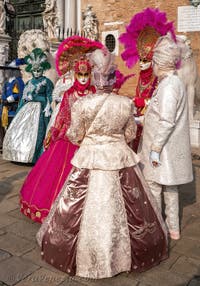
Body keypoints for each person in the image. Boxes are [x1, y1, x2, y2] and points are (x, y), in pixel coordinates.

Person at [36, 48, 168, 278]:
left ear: (95, 78)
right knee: (130, 210)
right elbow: (129, 134)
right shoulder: (124, 104)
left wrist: (92, 139)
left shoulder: (83, 104)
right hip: (119, 157)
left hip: (91, 157)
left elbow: (74, 135)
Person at [19, 36, 102, 223]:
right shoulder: (69, 94)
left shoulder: (94, 93)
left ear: (90, 75)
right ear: (74, 74)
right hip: (69, 139)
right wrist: (53, 132)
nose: (82, 78)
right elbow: (63, 117)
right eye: (79, 75)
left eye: (85, 75)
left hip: (89, 140)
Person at [138, 34, 193, 240]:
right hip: (167, 147)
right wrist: (141, 120)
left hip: (162, 148)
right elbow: (158, 113)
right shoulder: (170, 83)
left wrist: (155, 148)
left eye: (153, 62)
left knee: (155, 186)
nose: (151, 66)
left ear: (159, 64)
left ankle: (156, 226)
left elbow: (167, 120)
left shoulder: (169, 86)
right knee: (170, 188)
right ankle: (173, 228)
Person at [119, 8, 176, 152]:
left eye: (146, 60)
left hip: (152, 121)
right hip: (139, 118)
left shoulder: (159, 78)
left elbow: (158, 101)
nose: (141, 63)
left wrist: (142, 102)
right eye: (140, 60)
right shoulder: (141, 76)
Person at [2, 48, 54, 163]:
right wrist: (20, 108)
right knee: (20, 131)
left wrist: (44, 104)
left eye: (39, 70)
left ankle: (36, 156)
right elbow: (23, 98)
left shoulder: (47, 82)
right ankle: (20, 155)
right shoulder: (29, 82)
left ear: (43, 70)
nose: (36, 73)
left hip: (41, 110)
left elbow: (50, 97)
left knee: (39, 133)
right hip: (27, 110)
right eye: (34, 70)